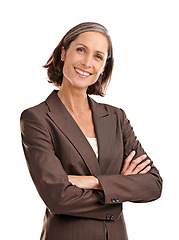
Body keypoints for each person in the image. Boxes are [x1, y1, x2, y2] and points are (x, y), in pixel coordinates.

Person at [20, 22, 162, 240]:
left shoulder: (116, 117)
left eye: (98, 56)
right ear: (63, 53)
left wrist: (93, 181)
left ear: (104, 66)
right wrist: (119, 189)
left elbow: (153, 184)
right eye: (81, 50)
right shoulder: (37, 118)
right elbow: (58, 198)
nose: (87, 63)